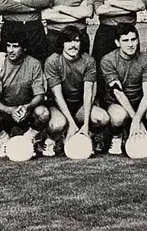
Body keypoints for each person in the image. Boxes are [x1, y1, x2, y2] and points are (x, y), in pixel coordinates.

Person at [100, 24, 147, 155]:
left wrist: (137, 119)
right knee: (118, 117)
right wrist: (136, 119)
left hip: (140, 101)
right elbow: (118, 92)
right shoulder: (108, 60)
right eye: (125, 40)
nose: (130, 44)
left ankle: (146, 134)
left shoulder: (146, 59)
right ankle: (117, 137)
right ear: (117, 43)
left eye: (133, 39)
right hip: (117, 102)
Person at [44, 26, 108, 157]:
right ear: (62, 43)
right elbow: (57, 96)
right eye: (68, 41)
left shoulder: (88, 61)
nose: (73, 45)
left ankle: (88, 134)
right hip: (58, 105)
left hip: (79, 105)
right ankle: (55, 137)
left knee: (102, 118)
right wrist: (71, 124)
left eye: (76, 41)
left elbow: (88, 93)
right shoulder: (52, 61)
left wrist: (86, 125)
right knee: (57, 124)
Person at [0, 30, 50, 157]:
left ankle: (29, 139)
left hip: (26, 111)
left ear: (24, 48)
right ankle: (3, 140)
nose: (10, 50)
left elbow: (40, 95)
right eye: (8, 46)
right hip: (6, 112)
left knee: (43, 113)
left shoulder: (34, 64)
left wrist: (27, 107)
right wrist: (10, 110)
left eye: (15, 46)